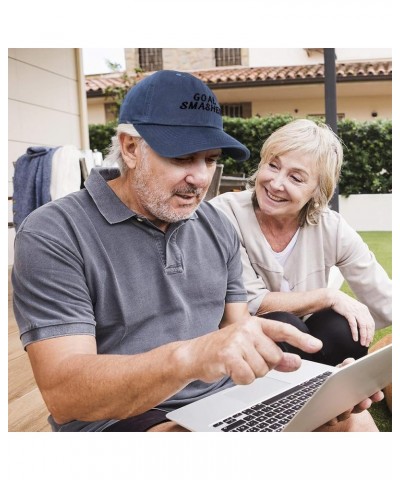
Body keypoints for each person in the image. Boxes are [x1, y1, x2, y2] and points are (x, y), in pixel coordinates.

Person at [12, 72, 381, 433]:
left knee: (354, 422)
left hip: (226, 401)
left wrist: (311, 390)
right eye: (183, 158)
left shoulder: (215, 224)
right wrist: (192, 357)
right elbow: (66, 396)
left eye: (209, 159)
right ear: (129, 148)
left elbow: (238, 331)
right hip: (129, 417)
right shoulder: (54, 232)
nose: (201, 178)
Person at [211, 118, 392, 367]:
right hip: (240, 342)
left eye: (296, 178)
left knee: (345, 325)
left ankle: (328, 382)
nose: (276, 184)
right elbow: (249, 302)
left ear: (318, 192)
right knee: (283, 323)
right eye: (273, 166)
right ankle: (316, 387)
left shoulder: (331, 226)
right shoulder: (224, 213)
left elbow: (385, 298)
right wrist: (327, 296)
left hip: (306, 342)